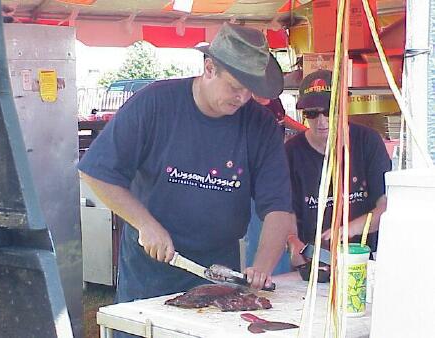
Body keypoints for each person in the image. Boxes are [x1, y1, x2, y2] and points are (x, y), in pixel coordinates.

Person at [78, 22, 297, 332]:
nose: (243, 97)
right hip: (149, 273)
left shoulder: (259, 126)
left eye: (251, 89)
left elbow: (277, 206)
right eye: (236, 86)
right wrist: (145, 224)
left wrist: (261, 267)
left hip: (219, 274)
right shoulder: (154, 104)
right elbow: (96, 171)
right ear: (209, 69)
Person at [285, 69, 391, 267]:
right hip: (314, 262)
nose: (322, 121)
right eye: (312, 113)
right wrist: (293, 244)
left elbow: (385, 207)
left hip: (364, 257)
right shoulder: (291, 152)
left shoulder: (368, 141)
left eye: (329, 111)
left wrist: (346, 230)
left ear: (343, 107)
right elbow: (287, 213)